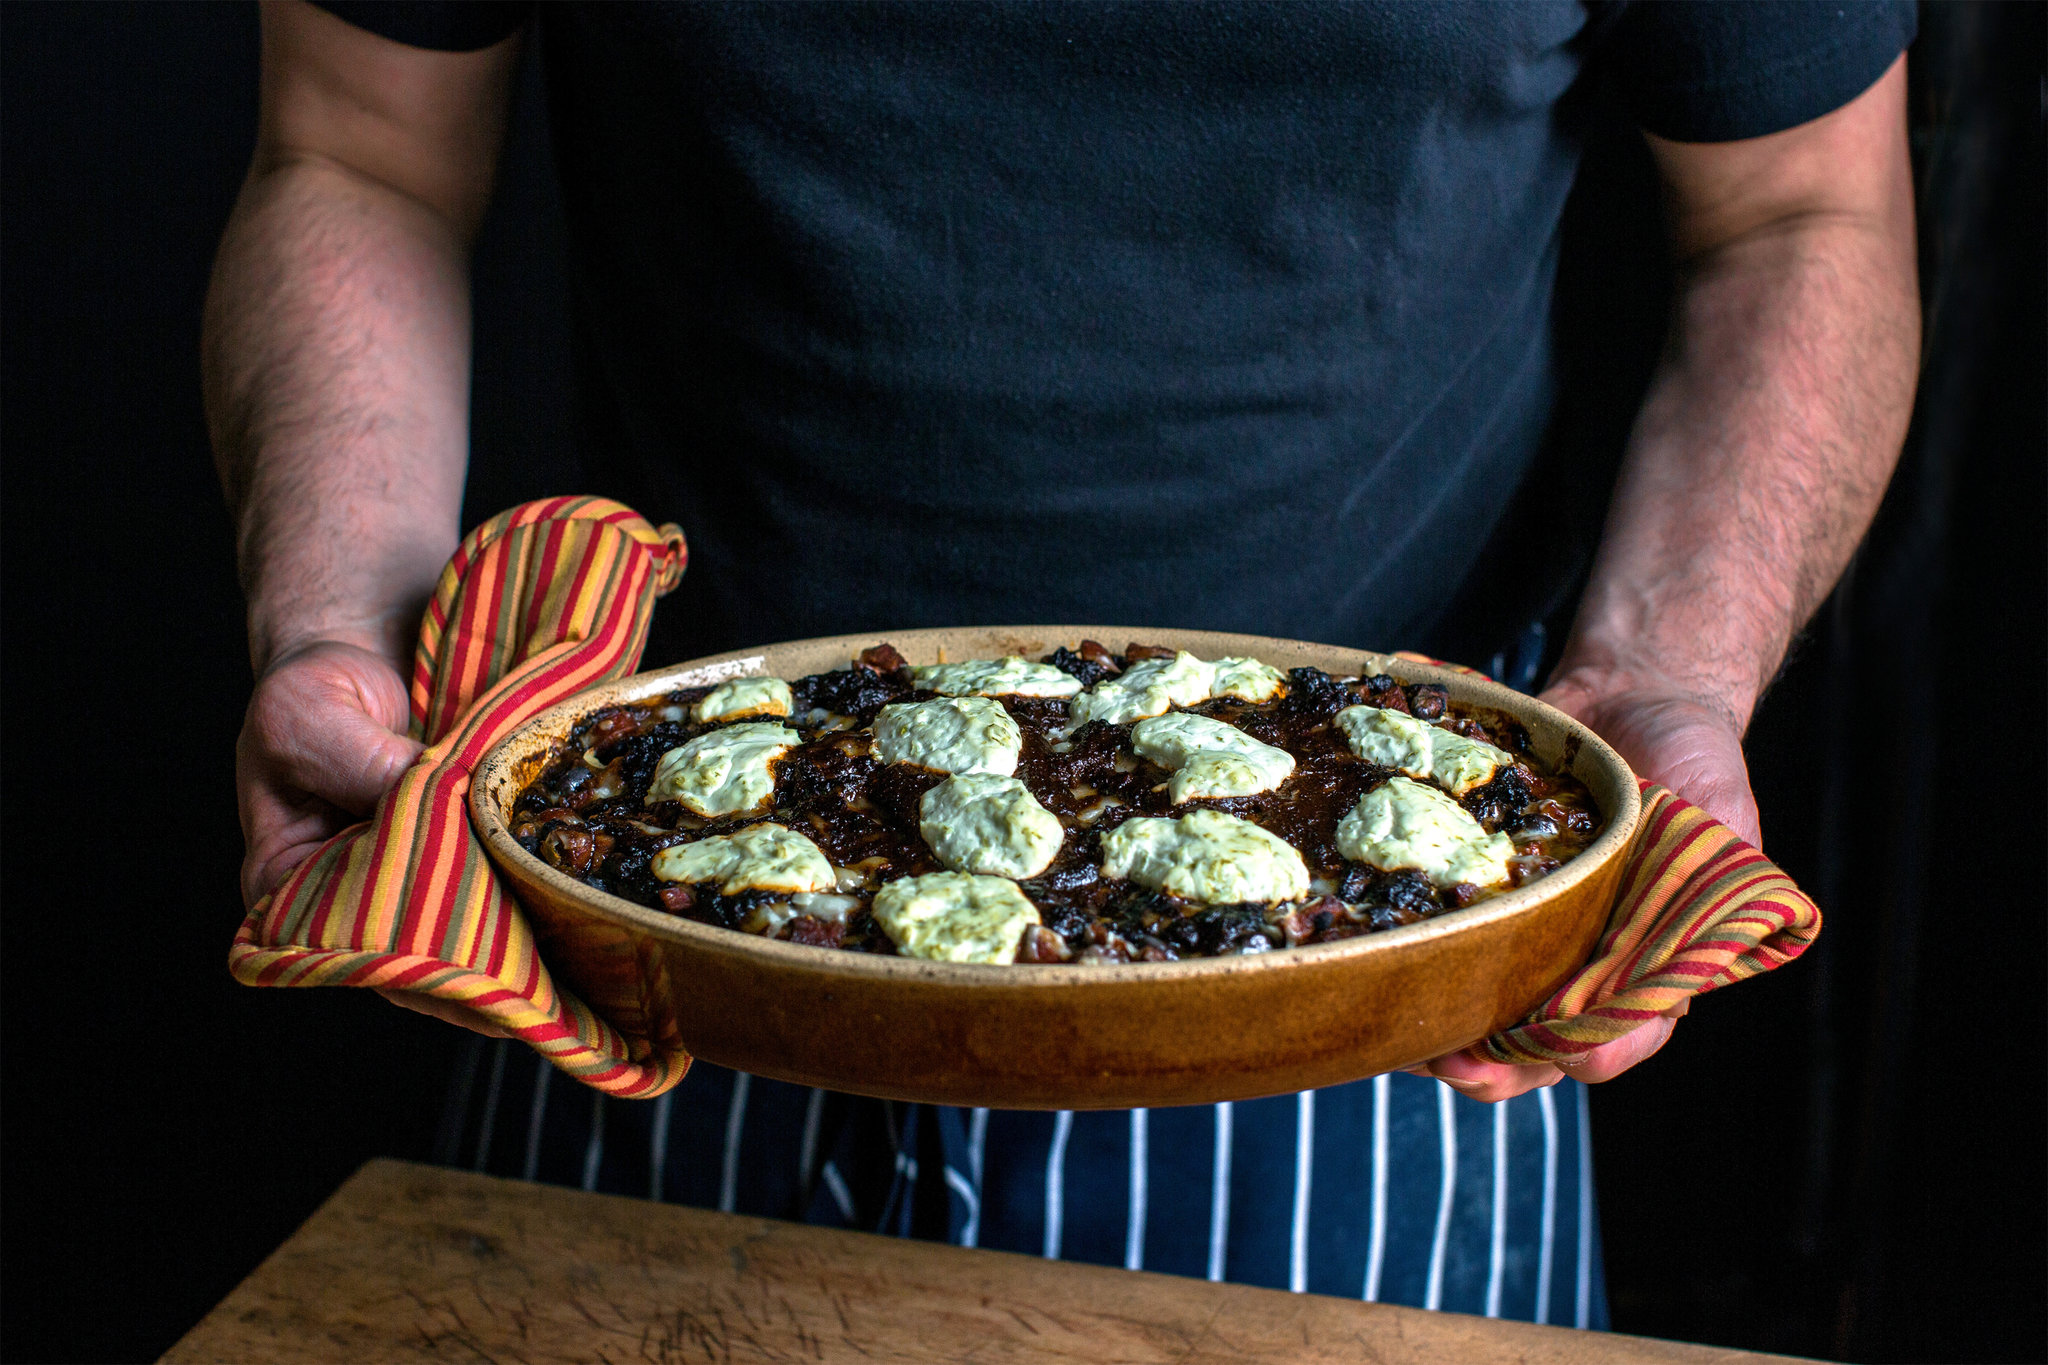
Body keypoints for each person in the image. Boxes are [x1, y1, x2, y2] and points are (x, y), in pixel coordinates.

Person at [208, 0, 1918, 1324]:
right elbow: (363, 150)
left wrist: (1672, 668)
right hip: (658, 925)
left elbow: (1796, 212)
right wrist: (336, 624)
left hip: (1380, 977)